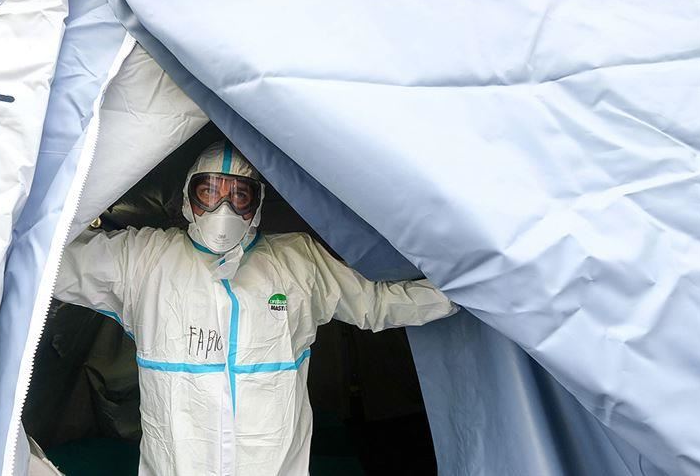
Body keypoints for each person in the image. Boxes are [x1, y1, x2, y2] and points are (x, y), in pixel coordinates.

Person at [54, 140, 458, 476]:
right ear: (189, 199)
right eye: (210, 192)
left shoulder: (298, 262)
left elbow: (377, 303)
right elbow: (55, 263)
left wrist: (460, 295)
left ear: (257, 205)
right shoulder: (143, 260)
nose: (223, 209)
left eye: (239, 195)